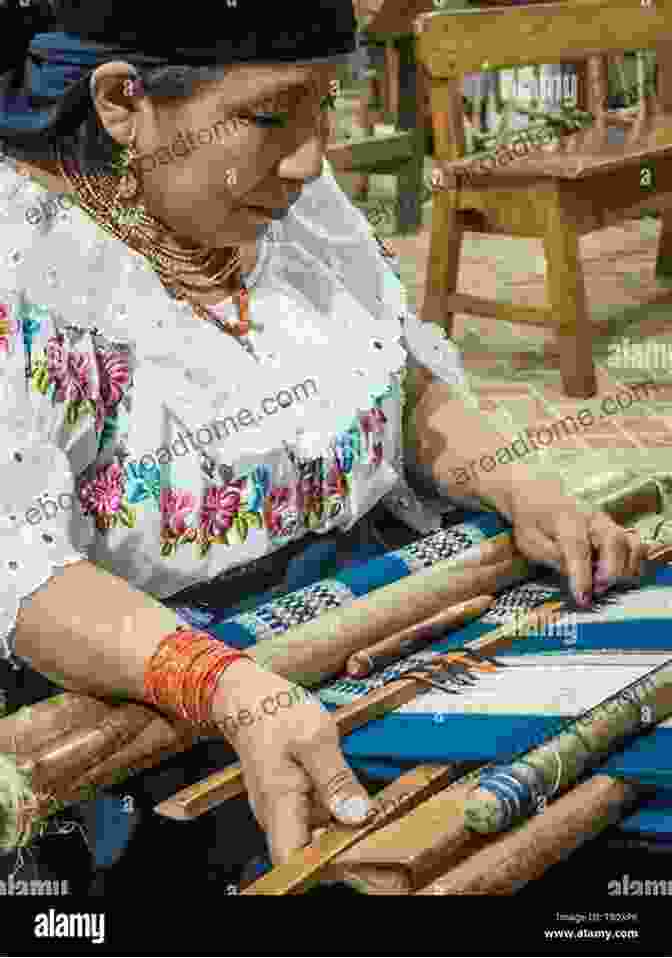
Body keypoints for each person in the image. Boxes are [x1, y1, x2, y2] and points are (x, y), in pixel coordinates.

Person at [0, 0, 647, 885]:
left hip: (378, 627)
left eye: (324, 107)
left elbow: (399, 384)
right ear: (123, 104)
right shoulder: (24, 270)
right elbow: (19, 570)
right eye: (271, 113)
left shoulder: (291, 206)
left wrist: (525, 489)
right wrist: (228, 685)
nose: (312, 157)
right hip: (154, 707)